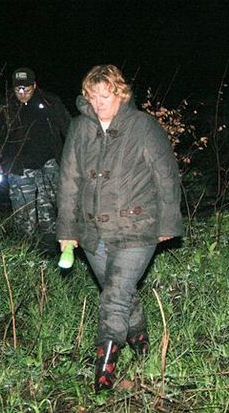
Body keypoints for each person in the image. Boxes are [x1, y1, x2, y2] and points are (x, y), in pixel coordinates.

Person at [56, 65, 182, 392]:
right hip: (93, 230)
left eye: (105, 96)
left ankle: (104, 370)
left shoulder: (142, 126)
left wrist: (168, 223)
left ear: (120, 93)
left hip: (138, 228)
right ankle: (140, 339)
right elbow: (69, 182)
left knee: (113, 296)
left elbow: (166, 175)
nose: (98, 103)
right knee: (121, 292)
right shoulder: (80, 129)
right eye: (92, 96)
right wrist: (67, 231)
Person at [0, 67, 71, 253]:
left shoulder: (50, 101)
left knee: (49, 211)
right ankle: (25, 255)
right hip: (18, 167)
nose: (22, 93)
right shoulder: (4, 105)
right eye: (18, 89)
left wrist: (71, 159)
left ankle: (50, 254)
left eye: (26, 89)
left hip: (49, 164)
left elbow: (69, 129)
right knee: (24, 215)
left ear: (35, 85)